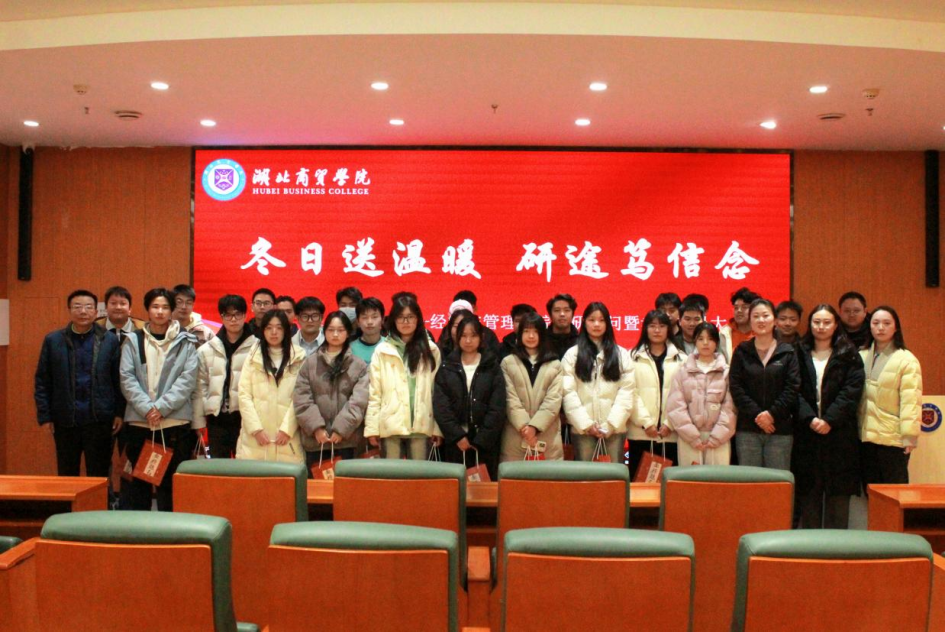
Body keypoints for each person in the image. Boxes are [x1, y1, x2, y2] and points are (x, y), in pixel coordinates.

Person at [119, 287, 199, 511]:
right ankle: (141, 529)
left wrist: (161, 408)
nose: (160, 312)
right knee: (138, 486)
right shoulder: (133, 340)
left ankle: (169, 529)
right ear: (147, 309)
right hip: (140, 422)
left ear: (172, 310)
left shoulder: (186, 341)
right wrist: (147, 408)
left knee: (170, 488)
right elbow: (126, 378)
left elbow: (187, 380)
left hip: (174, 423)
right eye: (155, 306)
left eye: (165, 307)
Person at [35, 289, 124, 477]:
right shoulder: (53, 340)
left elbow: (118, 380)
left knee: (99, 474)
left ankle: (99, 499)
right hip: (65, 420)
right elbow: (43, 380)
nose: (83, 311)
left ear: (96, 311)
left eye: (88, 307)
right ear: (69, 310)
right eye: (77, 306)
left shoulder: (109, 340)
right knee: (67, 473)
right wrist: (45, 416)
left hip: (99, 420)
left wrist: (119, 412)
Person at [794, 304, 865, 529]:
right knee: (809, 496)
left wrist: (829, 420)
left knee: (838, 498)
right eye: (816, 322)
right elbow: (793, 390)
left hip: (839, 434)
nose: (821, 327)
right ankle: (811, 547)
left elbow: (852, 391)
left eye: (827, 322)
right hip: (807, 433)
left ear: (835, 325)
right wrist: (810, 418)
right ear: (810, 324)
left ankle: (837, 547)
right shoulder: (798, 352)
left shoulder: (849, 354)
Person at [364, 295, 442, 460]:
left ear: (418, 319)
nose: (405, 322)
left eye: (410, 317)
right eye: (400, 317)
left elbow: (437, 392)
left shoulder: (431, 350)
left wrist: (437, 428)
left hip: (422, 426)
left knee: (419, 476)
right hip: (390, 426)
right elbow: (375, 393)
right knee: (393, 475)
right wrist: (372, 428)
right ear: (393, 320)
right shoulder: (382, 350)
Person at [728, 298, 800, 470]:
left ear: (775, 320)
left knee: (777, 482)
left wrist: (771, 415)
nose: (761, 320)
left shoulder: (787, 352)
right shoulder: (741, 351)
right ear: (750, 320)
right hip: (748, 428)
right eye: (756, 316)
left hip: (779, 428)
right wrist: (758, 416)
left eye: (765, 316)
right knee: (750, 481)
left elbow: (792, 388)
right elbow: (736, 387)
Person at [433, 314, 506, 479]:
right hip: (455, 443)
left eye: (473, 335)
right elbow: (441, 406)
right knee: (456, 488)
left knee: (485, 489)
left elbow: (498, 406)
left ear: (481, 337)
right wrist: (457, 436)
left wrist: (482, 439)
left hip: (486, 444)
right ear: (457, 337)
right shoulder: (447, 367)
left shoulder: (492, 366)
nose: (468, 340)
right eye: (464, 336)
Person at [561, 302, 635, 462]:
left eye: (602, 320)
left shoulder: (621, 354)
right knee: (585, 475)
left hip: (614, 430)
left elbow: (627, 392)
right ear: (584, 322)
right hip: (583, 430)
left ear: (608, 324)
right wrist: (586, 424)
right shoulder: (572, 355)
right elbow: (568, 393)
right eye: (592, 320)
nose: (596, 324)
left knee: (614, 475)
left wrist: (610, 425)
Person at [294, 311, 369, 465]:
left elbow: (358, 402)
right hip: (316, 440)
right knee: (314, 481)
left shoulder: (358, 365)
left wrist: (341, 429)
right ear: (324, 331)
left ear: (348, 333)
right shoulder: (310, 363)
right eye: (331, 330)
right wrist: (317, 428)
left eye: (340, 330)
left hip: (347, 440)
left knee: (344, 481)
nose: (335, 334)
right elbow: (302, 399)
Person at [858, 306, 922, 485]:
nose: (880, 327)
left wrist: (909, 436)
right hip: (865, 436)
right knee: (871, 491)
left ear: (896, 328)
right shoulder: (861, 355)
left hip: (892, 438)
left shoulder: (906, 360)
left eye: (887, 323)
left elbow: (911, 401)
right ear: (869, 326)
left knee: (894, 492)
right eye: (876, 323)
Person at [236, 310, 305, 464]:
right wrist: (256, 429)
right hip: (255, 438)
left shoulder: (299, 357)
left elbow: (301, 397)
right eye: (269, 328)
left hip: (288, 437)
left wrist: (287, 429)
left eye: (279, 328)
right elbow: (244, 395)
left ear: (286, 330)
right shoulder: (252, 357)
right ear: (263, 330)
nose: (274, 332)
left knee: (286, 478)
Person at [194, 294, 256, 459]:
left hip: (245, 419)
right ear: (221, 317)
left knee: (245, 466)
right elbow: (200, 387)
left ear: (245, 315)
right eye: (228, 315)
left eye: (238, 314)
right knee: (218, 467)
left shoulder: (257, 348)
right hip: (217, 420)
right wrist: (199, 421)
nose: (233, 319)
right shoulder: (206, 350)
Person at [666, 322, 735, 467]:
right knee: (689, 479)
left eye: (710, 339)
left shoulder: (727, 372)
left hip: (719, 438)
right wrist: (692, 437)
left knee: (717, 479)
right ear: (694, 341)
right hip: (688, 438)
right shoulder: (683, 371)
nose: (705, 343)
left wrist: (717, 437)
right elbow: (676, 407)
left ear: (716, 342)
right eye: (700, 338)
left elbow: (730, 408)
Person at [500, 312, 564, 462]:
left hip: (547, 437)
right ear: (519, 334)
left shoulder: (555, 364)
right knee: (515, 476)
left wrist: (535, 427)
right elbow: (510, 399)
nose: (531, 336)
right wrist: (524, 427)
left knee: (548, 476)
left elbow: (553, 401)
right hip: (515, 436)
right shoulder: (508, 363)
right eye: (526, 331)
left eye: (536, 332)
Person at [628, 310, 687, 470]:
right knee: (639, 481)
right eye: (652, 326)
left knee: (669, 481)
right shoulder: (632, 357)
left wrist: (670, 423)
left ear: (668, 329)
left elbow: (684, 395)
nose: (657, 330)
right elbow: (630, 393)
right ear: (645, 329)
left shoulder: (682, 359)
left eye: (662, 326)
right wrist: (646, 423)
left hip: (671, 433)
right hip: (640, 433)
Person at [451, 289, 502, 354]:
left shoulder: (488, 334)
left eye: (473, 335)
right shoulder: (446, 332)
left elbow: (495, 355)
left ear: (474, 308)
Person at [719, 287, 760, 361]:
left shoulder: (762, 333)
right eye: (736, 307)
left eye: (744, 307)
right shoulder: (724, 334)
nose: (739, 310)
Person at [350, 297, 386, 365]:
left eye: (374, 317)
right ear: (358, 322)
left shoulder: (390, 345)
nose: (369, 322)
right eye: (364, 317)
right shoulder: (350, 349)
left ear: (382, 320)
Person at [546, 293, 579, 360]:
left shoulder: (580, 341)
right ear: (550, 314)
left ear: (573, 314)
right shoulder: (541, 341)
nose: (562, 314)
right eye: (557, 310)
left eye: (567, 310)